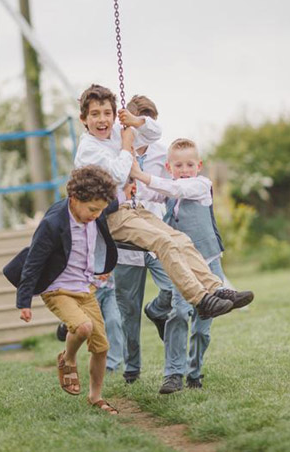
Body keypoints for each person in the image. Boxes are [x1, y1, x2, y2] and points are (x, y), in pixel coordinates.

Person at [74, 84, 248, 321]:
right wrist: (127, 144)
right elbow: (116, 174)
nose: (102, 120)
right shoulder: (88, 148)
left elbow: (154, 134)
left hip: (133, 208)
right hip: (110, 214)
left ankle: (215, 288)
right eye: (95, 114)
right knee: (163, 241)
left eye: (107, 113)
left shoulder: (117, 131)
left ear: (115, 115)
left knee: (181, 239)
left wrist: (135, 121)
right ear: (83, 119)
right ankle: (200, 299)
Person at [129, 138, 254, 393]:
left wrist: (142, 175)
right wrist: (132, 181)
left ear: (199, 165)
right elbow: (148, 193)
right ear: (169, 167)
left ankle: (194, 372)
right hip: (183, 269)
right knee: (178, 314)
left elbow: (178, 190)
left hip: (209, 265)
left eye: (189, 165)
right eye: (178, 165)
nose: (184, 170)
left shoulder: (200, 185)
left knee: (202, 327)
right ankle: (173, 374)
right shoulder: (168, 190)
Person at [3, 165, 120, 415]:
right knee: (83, 327)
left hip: (84, 287)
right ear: (75, 199)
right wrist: (23, 301)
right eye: (92, 210)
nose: (97, 215)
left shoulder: (95, 209)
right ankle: (67, 359)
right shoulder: (54, 223)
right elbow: (33, 262)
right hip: (57, 288)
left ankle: (95, 396)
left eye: (100, 209)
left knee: (101, 347)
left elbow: (111, 205)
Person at [111, 95, 175, 384]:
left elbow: (167, 191)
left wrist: (144, 188)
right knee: (128, 308)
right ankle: (132, 367)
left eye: (146, 123)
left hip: (154, 232)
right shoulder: (118, 152)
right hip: (126, 241)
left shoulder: (162, 154)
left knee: (172, 289)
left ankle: (158, 309)